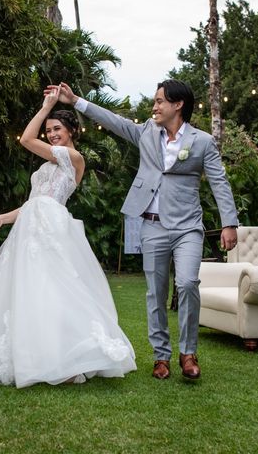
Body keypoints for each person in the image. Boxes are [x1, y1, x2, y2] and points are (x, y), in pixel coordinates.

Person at [51, 80, 238, 380]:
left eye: (161, 101)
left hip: (188, 226)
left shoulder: (202, 141)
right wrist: (75, 101)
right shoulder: (147, 132)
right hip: (151, 225)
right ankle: (161, 357)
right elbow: (113, 122)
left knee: (188, 283)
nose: (155, 106)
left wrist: (229, 223)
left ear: (178, 105)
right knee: (156, 293)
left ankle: (188, 353)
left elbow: (219, 182)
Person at [0, 86, 136, 388]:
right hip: (30, 228)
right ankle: (32, 351)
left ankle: (65, 355)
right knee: (29, 289)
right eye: (49, 130)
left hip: (52, 228)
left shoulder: (73, 158)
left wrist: (46, 106)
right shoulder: (42, 168)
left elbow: (26, 140)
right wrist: (4, 217)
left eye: (56, 129)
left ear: (71, 131)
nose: (51, 134)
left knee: (57, 287)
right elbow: (31, 203)